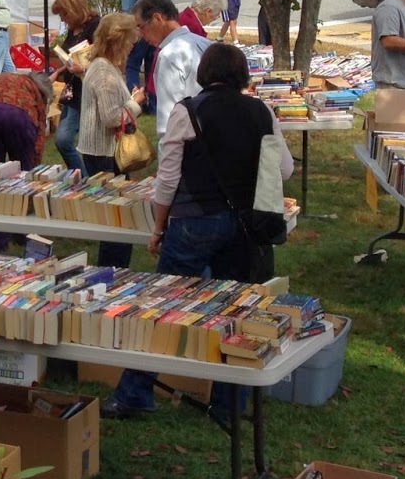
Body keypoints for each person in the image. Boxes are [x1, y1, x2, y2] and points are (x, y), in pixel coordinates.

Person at [104, 43, 295, 420]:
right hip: (245, 226)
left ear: (204, 74)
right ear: (242, 74)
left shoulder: (188, 111)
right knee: (236, 313)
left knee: (165, 308)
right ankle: (229, 404)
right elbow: (284, 169)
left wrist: (158, 228)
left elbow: (169, 179)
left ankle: (135, 393)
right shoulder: (261, 111)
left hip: (195, 222)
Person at [76, 12, 146, 270]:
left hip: (104, 149)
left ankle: (114, 268)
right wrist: (135, 103)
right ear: (119, 42)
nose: (131, 48)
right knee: (115, 219)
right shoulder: (104, 72)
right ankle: (112, 269)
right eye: (129, 42)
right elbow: (111, 117)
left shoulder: (103, 66)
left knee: (115, 216)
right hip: (105, 152)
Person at [132, 0, 212, 128]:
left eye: (141, 26)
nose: (140, 34)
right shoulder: (206, 44)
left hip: (188, 139)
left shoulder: (169, 56)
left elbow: (169, 119)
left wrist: (166, 146)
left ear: (157, 18)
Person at [50, 0, 100, 172]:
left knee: (63, 139)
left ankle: (83, 175)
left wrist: (83, 68)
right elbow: (70, 56)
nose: (62, 20)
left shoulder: (95, 26)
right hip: (73, 90)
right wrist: (58, 71)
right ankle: (81, 175)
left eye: (64, 14)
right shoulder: (74, 29)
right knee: (64, 139)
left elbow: (102, 58)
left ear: (73, 9)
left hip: (86, 91)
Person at [0, 71, 51, 170]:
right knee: (22, 169)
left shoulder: (0, 78)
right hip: (18, 116)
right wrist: (34, 164)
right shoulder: (37, 93)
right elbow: (41, 129)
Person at [121, 0, 170, 111]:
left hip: (140, 30)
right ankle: (153, 104)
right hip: (158, 30)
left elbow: (128, 10)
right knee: (152, 66)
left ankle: (135, 98)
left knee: (132, 65)